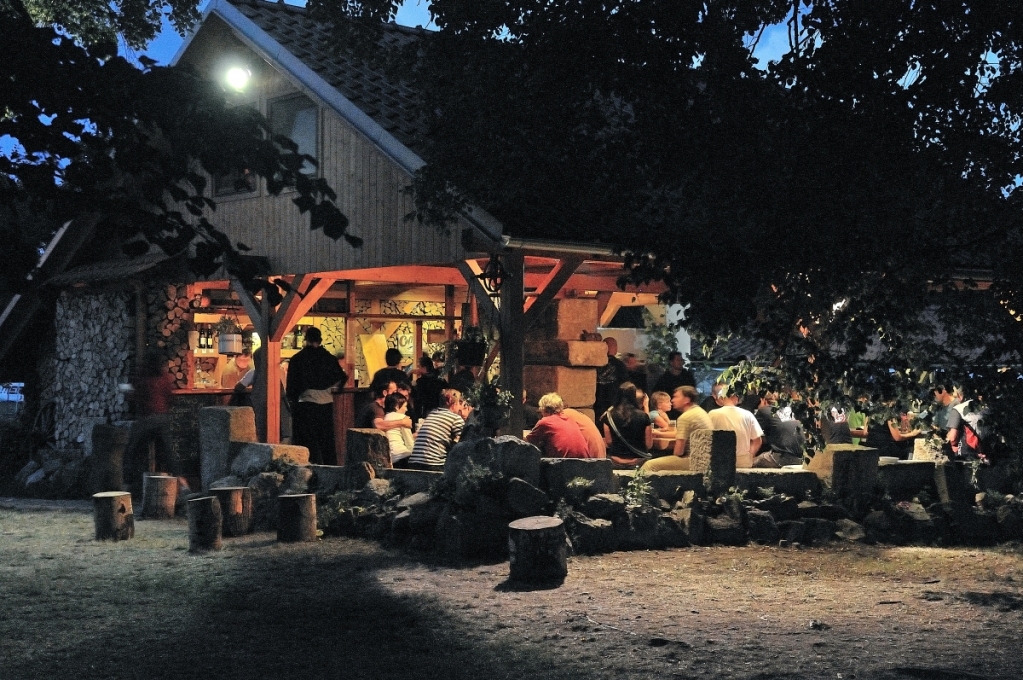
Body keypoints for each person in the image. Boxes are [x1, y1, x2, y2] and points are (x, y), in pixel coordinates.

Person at [285, 327, 347, 465]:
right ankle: (331, 469)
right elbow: (342, 377)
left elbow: (291, 387)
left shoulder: (298, 358)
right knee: (327, 442)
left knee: (306, 443)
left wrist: (293, 402)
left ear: (305, 339)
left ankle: (307, 469)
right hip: (326, 403)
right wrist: (335, 391)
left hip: (305, 403)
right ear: (320, 340)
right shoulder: (329, 358)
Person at [124, 350, 176, 493]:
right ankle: (180, 484)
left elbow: (134, 396)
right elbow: (170, 397)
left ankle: (128, 484)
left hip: (146, 419)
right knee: (168, 453)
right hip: (162, 418)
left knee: (131, 451)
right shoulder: (164, 376)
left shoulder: (141, 375)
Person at [641, 385, 712, 473]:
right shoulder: (699, 411)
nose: (672, 400)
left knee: (649, 465)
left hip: (695, 461)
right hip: (707, 459)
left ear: (686, 400)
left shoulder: (686, 417)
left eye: (676, 397)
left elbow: (678, 452)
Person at [409, 388, 470, 471]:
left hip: (414, 462)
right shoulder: (455, 418)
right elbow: (463, 444)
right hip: (434, 464)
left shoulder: (432, 414)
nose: (460, 407)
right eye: (459, 402)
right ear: (450, 401)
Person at [708, 384, 763, 468]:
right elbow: (757, 441)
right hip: (744, 462)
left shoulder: (713, 414)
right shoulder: (748, 414)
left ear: (721, 397)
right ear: (734, 396)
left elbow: (706, 440)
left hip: (721, 463)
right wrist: (749, 456)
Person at [599, 381, 653, 468]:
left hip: (615, 461)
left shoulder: (608, 416)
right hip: (638, 461)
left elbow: (609, 442)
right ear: (634, 396)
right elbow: (649, 444)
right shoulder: (643, 416)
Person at [526, 393, 591, 458]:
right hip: (585, 461)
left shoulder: (545, 422)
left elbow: (528, 442)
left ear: (543, 409)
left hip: (564, 462)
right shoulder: (570, 419)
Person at [652, 351, 697, 416]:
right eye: (678, 360)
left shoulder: (688, 376)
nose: (680, 362)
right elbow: (656, 393)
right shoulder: (665, 377)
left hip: (685, 409)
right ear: (671, 362)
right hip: (669, 410)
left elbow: (693, 392)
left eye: (681, 360)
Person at [594, 337, 629, 417]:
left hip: (595, 403)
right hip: (613, 405)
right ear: (615, 348)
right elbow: (625, 385)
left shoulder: (595, 363)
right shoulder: (620, 365)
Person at [383, 392, 415, 466]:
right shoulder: (402, 418)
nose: (406, 409)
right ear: (397, 406)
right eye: (405, 406)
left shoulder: (385, 418)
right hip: (402, 457)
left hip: (390, 459)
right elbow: (409, 443)